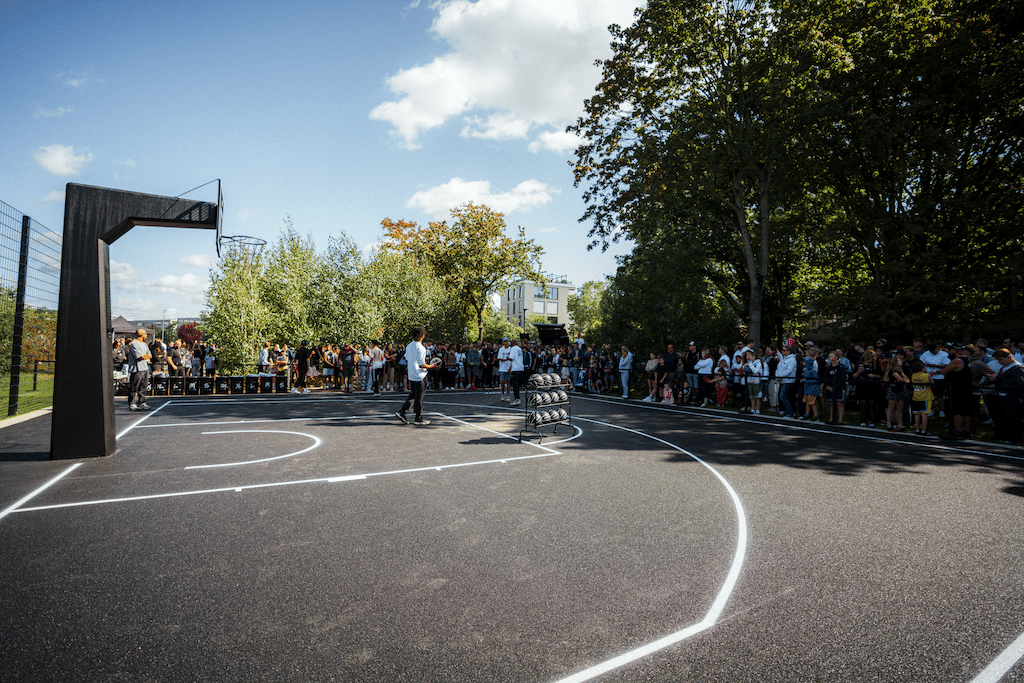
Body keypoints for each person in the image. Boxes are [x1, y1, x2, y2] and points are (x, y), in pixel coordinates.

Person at [395, 326, 438, 425]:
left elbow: (407, 357)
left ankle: (402, 411)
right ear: (422, 336)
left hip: (412, 373)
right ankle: (418, 418)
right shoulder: (421, 348)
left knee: (414, 394)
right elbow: (421, 364)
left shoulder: (409, 346)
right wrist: (432, 366)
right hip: (420, 374)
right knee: (419, 397)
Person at [126, 328, 152, 411]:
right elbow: (140, 356)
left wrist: (145, 356)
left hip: (145, 367)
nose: (146, 335)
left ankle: (142, 402)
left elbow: (149, 355)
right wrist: (145, 356)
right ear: (141, 334)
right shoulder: (134, 344)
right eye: (145, 333)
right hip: (137, 369)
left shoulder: (144, 344)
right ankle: (132, 403)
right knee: (134, 387)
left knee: (143, 386)